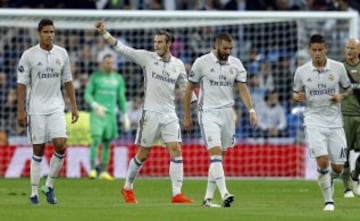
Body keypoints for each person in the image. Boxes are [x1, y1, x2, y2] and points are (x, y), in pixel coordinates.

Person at [95, 20, 196, 204]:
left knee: (176, 150)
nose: (156, 45)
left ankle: (176, 194)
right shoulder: (147, 58)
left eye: (159, 42)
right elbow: (122, 49)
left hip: (170, 114)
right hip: (150, 114)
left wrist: (197, 104)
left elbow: (185, 87)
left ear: (168, 44)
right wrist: (104, 33)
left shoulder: (178, 65)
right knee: (143, 154)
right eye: (155, 42)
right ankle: (127, 187)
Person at [183, 32, 258, 208]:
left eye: (231, 48)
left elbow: (242, 89)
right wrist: (187, 116)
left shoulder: (236, 64)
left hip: (227, 114)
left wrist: (251, 110)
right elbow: (188, 90)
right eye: (225, 48)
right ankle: (225, 193)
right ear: (216, 45)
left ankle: (208, 199)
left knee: (219, 158)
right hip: (207, 113)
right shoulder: (201, 62)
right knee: (215, 154)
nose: (228, 51)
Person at [17, 18, 79, 205]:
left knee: (61, 145)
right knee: (38, 149)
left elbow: (68, 80)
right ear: (39, 34)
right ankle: (34, 193)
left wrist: (74, 106)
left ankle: (49, 185)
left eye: (52, 32)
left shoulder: (62, 53)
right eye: (46, 32)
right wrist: (21, 111)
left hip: (56, 106)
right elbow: (21, 85)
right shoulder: (29, 55)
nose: (49, 35)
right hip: (36, 108)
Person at [293, 34, 352, 211]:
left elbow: (348, 89)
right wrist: (297, 97)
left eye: (320, 50)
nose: (317, 53)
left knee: (338, 167)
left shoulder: (338, 68)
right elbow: (295, 93)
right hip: (313, 120)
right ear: (309, 50)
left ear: (326, 49)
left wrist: (340, 96)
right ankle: (328, 201)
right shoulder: (301, 71)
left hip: (335, 121)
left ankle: (327, 178)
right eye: (314, 50)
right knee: (323, 160)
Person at [84, 53, 130, 181]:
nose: (109, 64)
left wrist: (125, 114)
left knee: (106, 143)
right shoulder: (95, 77)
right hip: (98, 113)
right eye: (107, 62)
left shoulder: (118, 78)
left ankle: (103, 171)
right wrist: (95, 106)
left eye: (111, 62)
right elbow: (87, 95)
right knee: (96, 140)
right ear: (102, 63)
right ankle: (93, 169)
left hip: (111, 115)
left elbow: (121, 98)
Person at [340, 38, 360, 197]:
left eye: (352, 48)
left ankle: (355, 176)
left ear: (359, 50)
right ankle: (347, 188)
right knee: (343, 153)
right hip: (344, 115)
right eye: (347, 48)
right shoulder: (339, 68)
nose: (349, 51)